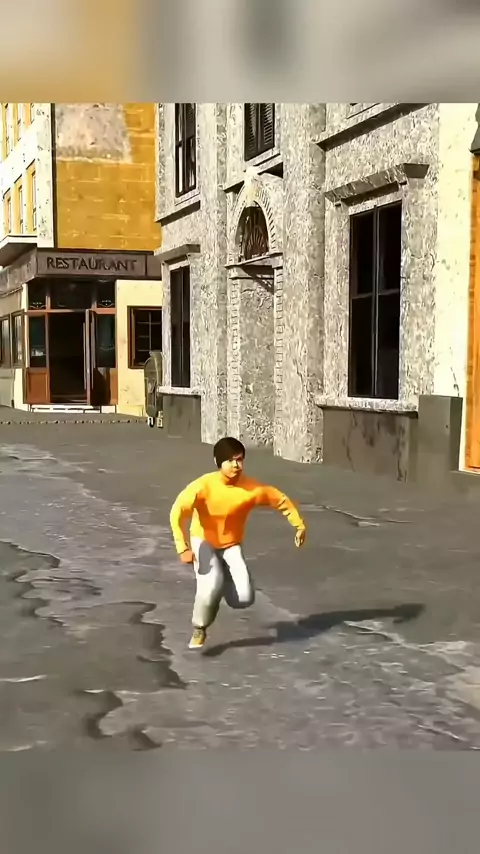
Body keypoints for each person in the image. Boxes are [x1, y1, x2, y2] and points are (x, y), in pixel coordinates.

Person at [169, 436, 307, 649]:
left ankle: (219, 585)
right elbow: (176, 513)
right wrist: (183, 547)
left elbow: (281, 500)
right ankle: (200, 628)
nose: (236, 465)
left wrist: (299, 526)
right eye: (230, 460)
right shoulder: (202, 487)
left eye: (240, 459)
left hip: (231, 545)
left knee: (244, 598)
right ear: (218, 462)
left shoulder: (251, 489)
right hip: (203, 541)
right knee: (210, 585)